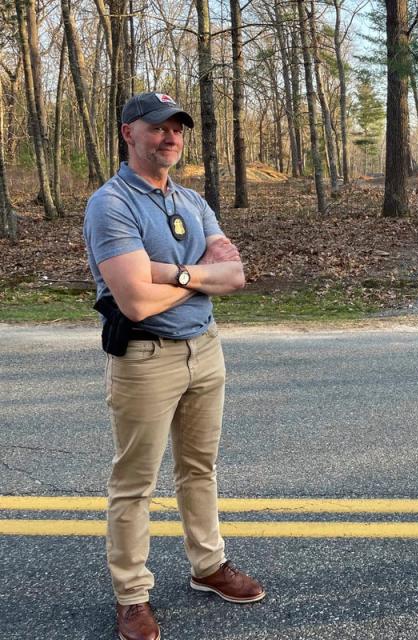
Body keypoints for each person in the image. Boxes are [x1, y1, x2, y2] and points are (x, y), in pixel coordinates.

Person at [83, 92, 265, 640]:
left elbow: (234, 275)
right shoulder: (111, 204)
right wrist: (197, 274)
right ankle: (132, 595)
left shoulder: (192, 200)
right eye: (157, 127)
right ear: (128, 133)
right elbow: (135, 304)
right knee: (134, 483)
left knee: (199, 469)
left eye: (177, 129)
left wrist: (170, 274)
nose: (170, 137)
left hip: (205, 351)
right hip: (144, 357)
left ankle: (208, 565)